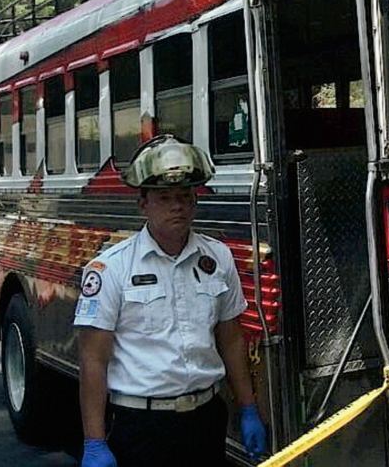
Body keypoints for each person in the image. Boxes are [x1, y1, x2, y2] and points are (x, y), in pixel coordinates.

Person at [74, 135, 268, 467]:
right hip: (141, 426)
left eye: (184, 197)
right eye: (164, 198)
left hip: (205, 420)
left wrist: (248, 408)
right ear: (143, 205)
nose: (176, 206)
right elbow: (93, 360)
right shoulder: (111, 269)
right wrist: (93, 441)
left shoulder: (217, 258)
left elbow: (232, 339)